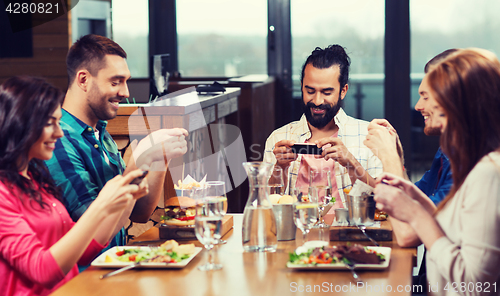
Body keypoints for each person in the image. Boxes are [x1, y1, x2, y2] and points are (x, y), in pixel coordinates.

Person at [45, 34, 188, 261]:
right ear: (83, 80)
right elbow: (96, 230)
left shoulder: (99, 131)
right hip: (84, 277)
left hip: (114, 265)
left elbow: (139, 212)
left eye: (126, 81)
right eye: (115, 82)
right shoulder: (58, 141)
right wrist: (137, 163)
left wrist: (159, 157)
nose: (126, 92)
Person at [0, 76, 147, 295]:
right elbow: (42, 270)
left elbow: (84, 251)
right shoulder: (3, 195)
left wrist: (126, 197)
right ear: (20, 122)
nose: (59, 133)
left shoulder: (35, 179)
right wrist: (101, 206)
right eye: (51, 123)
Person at [374, 49, 500, 296]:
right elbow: (455, 228)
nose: (421, 107)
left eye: (433, 101)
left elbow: (474, 286)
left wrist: (415, 213)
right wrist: (416, 196)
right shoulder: (471, 161)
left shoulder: (488, 173)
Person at [263, 44, 383, 219]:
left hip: (350, 234)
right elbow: (264, 204)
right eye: (310, 91)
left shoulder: (369, 136)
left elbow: (384, 201)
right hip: (295, 234)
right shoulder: (279, 137)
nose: (317, 101)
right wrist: (279, 168)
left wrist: (351, 163)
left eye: (326, 92)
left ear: (343, 91)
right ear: (302, 87)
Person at [364, 49, 457, 247]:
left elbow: (408, 234)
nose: (417, 106)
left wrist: (388, 157)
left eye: (425, 96)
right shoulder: (446, 150)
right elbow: (414, 201)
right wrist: (398, 157)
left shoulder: (469, 161)